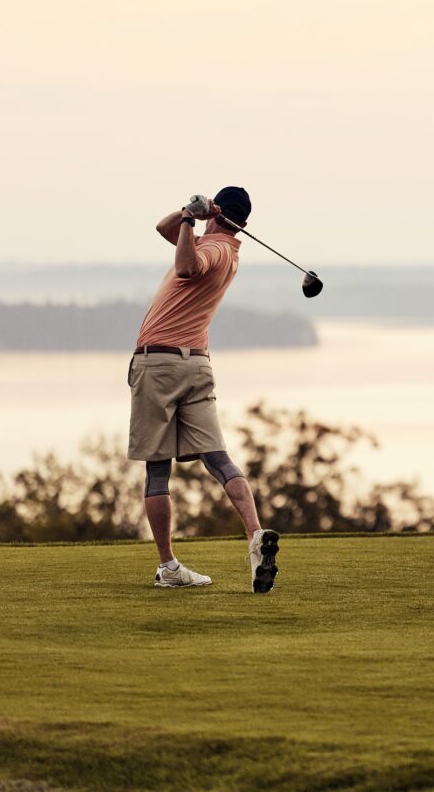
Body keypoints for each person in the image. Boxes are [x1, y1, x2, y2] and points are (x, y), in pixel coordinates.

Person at [128, 186, 280, 592]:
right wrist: (184, 214)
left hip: (159, 365)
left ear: (217, 210)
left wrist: (193, 218)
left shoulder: (211, 250)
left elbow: (185, 268)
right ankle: (254, 536)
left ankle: (169, 568)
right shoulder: (227, 251)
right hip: (196, 364)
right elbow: (163, 229)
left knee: (157, 469)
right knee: (219, 459)